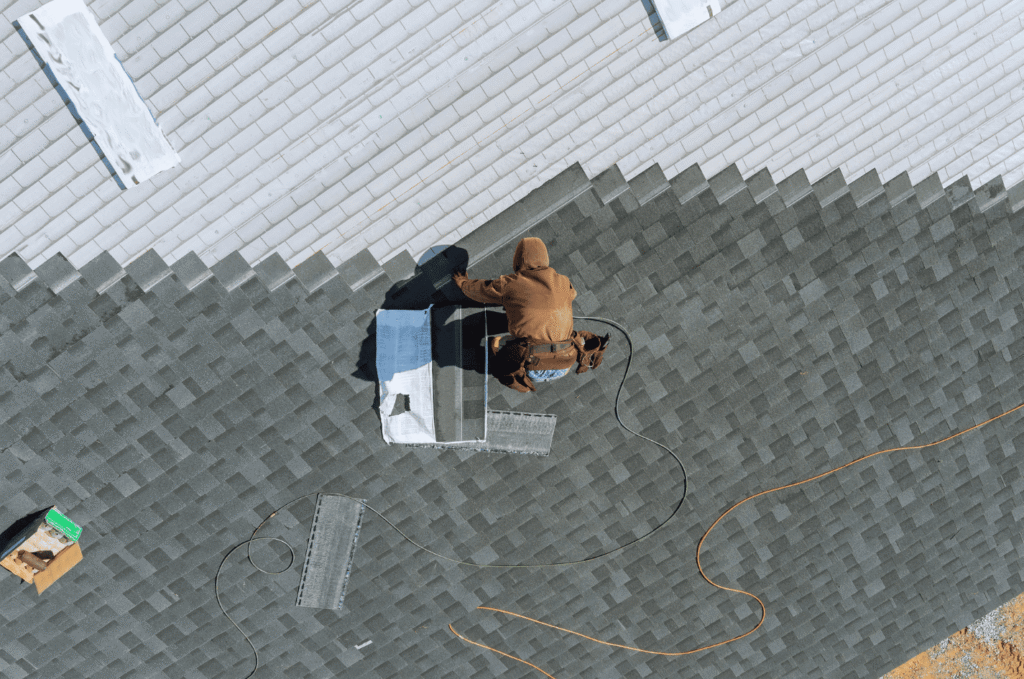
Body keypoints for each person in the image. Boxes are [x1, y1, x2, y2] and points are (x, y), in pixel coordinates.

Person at [453, 237, 609, 392]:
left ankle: (503, 367)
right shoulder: (563, 281)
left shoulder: (510, 283)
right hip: (565, 365)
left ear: (518, 261)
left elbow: (482, 291)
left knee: (496, 343)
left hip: (534, 369)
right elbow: (572, 293)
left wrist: (463, 284)